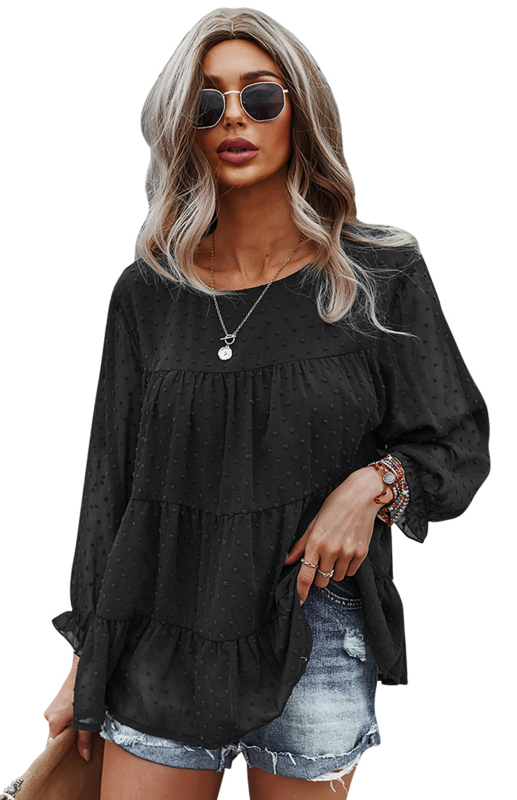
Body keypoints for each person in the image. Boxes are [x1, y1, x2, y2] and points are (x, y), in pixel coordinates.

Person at [44, 7, 490, 799]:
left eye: (259, 95)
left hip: (312, 626)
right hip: (160, 635)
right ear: (182, 128)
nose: (233, 118)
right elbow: (108, 489)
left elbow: (455, 442)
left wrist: (373, 486)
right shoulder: (148, 292)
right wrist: (86, 656)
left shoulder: (378, 275)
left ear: (300, 111)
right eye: (205, 103)